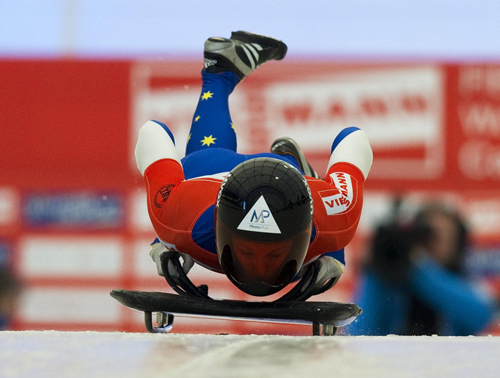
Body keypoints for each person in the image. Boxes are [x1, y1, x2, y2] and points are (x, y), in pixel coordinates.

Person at [135, 31, 373, 298]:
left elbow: (153, 132)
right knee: (203, 160)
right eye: (247, 252)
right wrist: (333, 251)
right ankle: (290, 161)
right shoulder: (337, 218)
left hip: (204, 178)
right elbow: (353, 137)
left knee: (204, 156)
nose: (260, 270)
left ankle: (219, 74)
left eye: (274, 254)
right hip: (219, 184)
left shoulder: (175, 217)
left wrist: (168, 240)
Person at [348, 201, 496, 335]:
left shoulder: (463, 281)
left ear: (459, 243)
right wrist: (377, 267)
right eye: (431, 236)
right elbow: (359, 331)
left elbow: (481, 317)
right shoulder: (393, 278)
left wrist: (417, 268)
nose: (439, 243)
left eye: (448, 236)